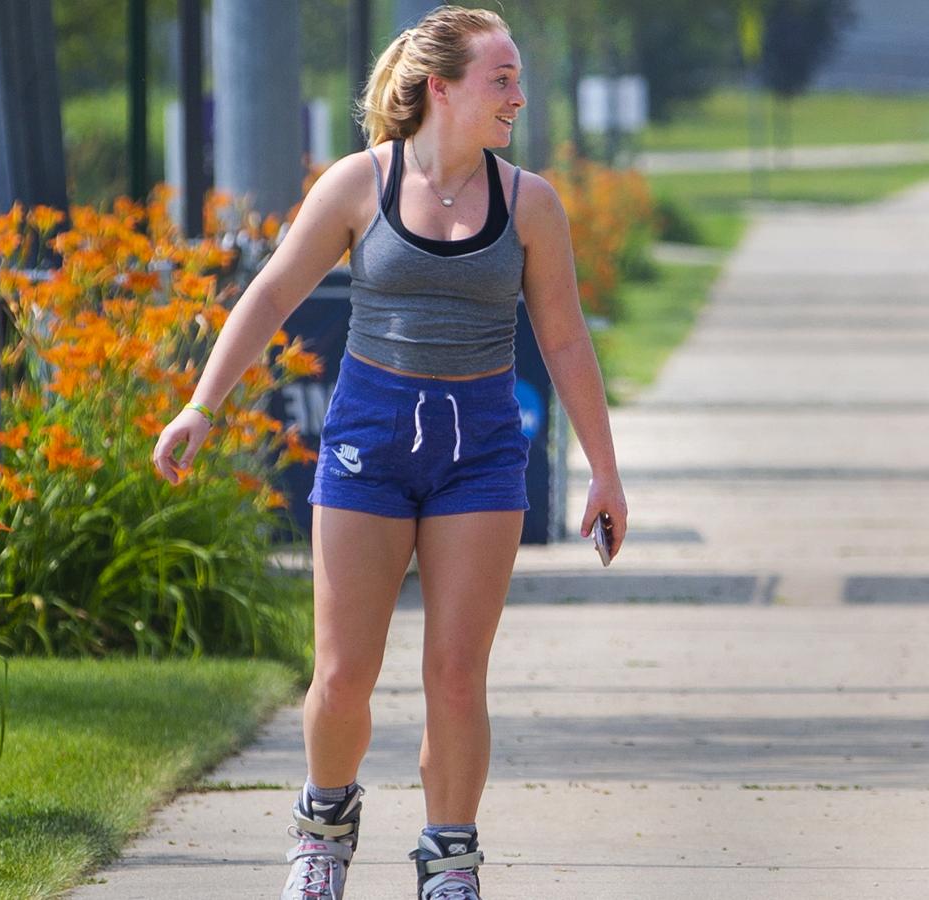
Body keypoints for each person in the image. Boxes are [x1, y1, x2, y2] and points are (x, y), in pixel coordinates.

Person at [149, 7, 627, 900]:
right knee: (343, 675)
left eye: (518, 79)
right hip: (369, 444)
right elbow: (271, 293)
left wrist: (603, 470)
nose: (518, 97)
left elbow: (564, 343)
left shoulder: (532, 203)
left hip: (481, 454)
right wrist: (200, 406)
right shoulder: (358, 183)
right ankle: (321, 837)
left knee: (455, 673)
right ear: (439, 88)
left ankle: (449, 861)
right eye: (502, 79)